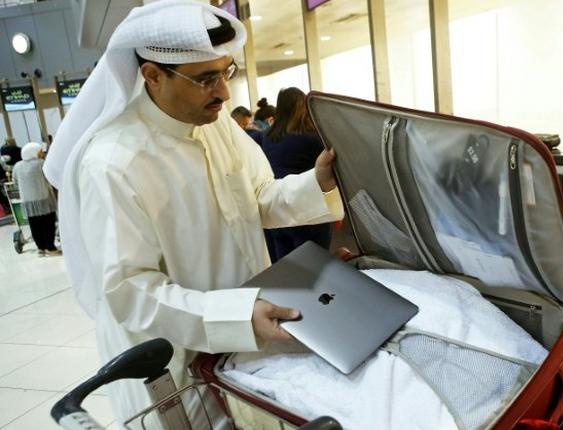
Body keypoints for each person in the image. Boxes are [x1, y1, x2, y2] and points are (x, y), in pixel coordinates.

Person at [42, 1, 343, 427]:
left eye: (226, 72)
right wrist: (236, 316)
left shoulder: (216, 124)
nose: (223, 92)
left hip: (244, 343)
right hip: (173, 372)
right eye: (205, 79)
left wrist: (318, 182)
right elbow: (132, 292)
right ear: (152, 76)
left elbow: (258, 197)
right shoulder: (113, 164)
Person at [261, 87, 333, 262]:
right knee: (314, 269)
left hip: (277, 212)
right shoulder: (313, 137)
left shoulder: (266, 136)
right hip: (308, 212)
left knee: (286, 269)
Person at [11, 142, 60, 256]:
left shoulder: (17, 166)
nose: (42, 153)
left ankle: (41, 248)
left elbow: (15, 183)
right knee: (48, 224)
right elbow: (50, 177)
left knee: (35, 225)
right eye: (40, 152)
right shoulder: (41, 164)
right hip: (44, 200)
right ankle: (50, 248)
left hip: (27, 202)